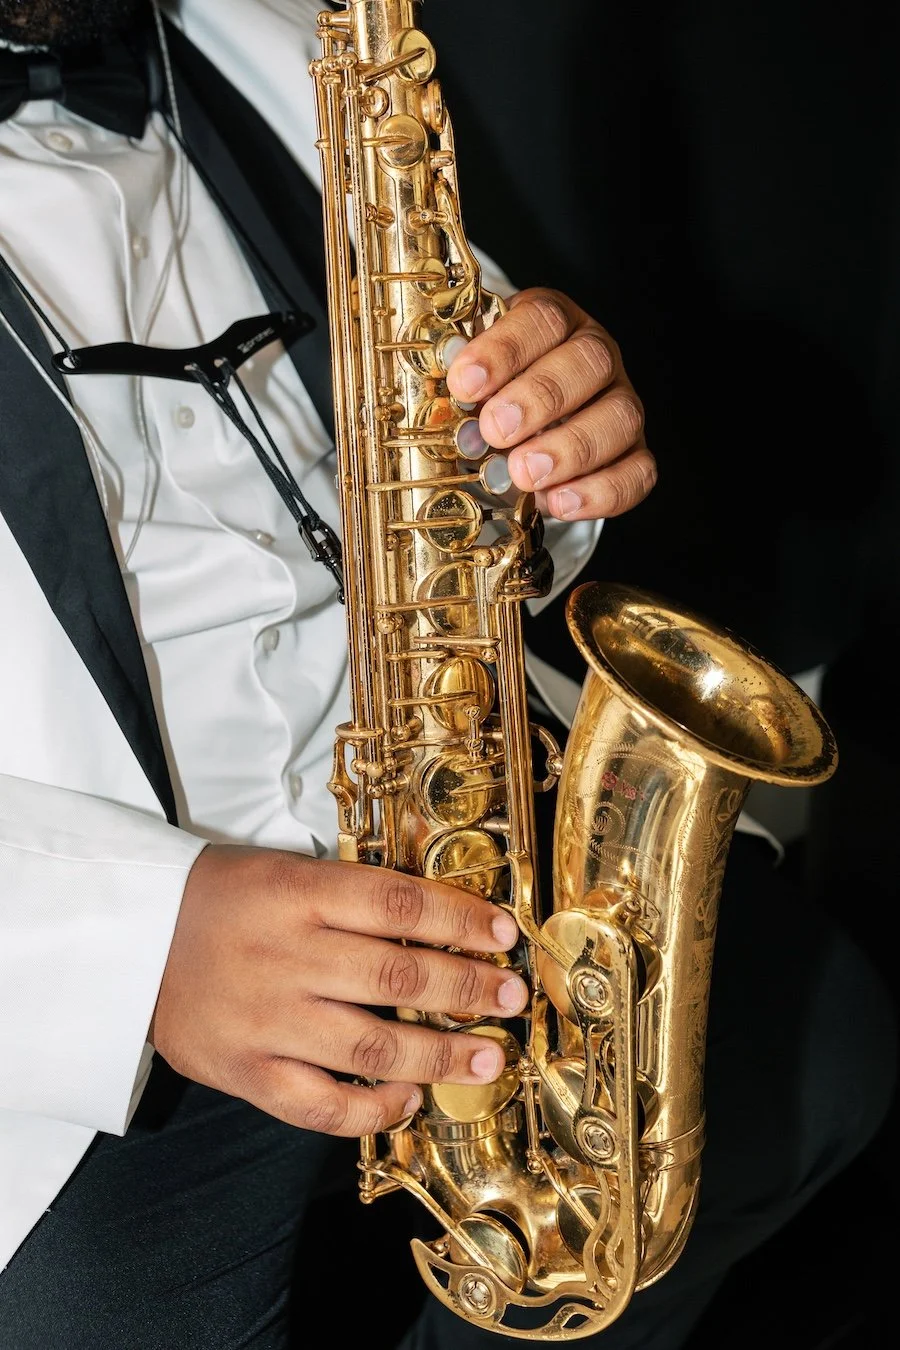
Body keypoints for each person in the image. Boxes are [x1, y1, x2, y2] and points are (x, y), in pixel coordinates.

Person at [0, 3, 893, 1349]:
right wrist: (133, 943)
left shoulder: (287, 40)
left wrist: (547, 444)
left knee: (819, 1059)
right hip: (82, 1016)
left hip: (457, 842)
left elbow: (466, 459)